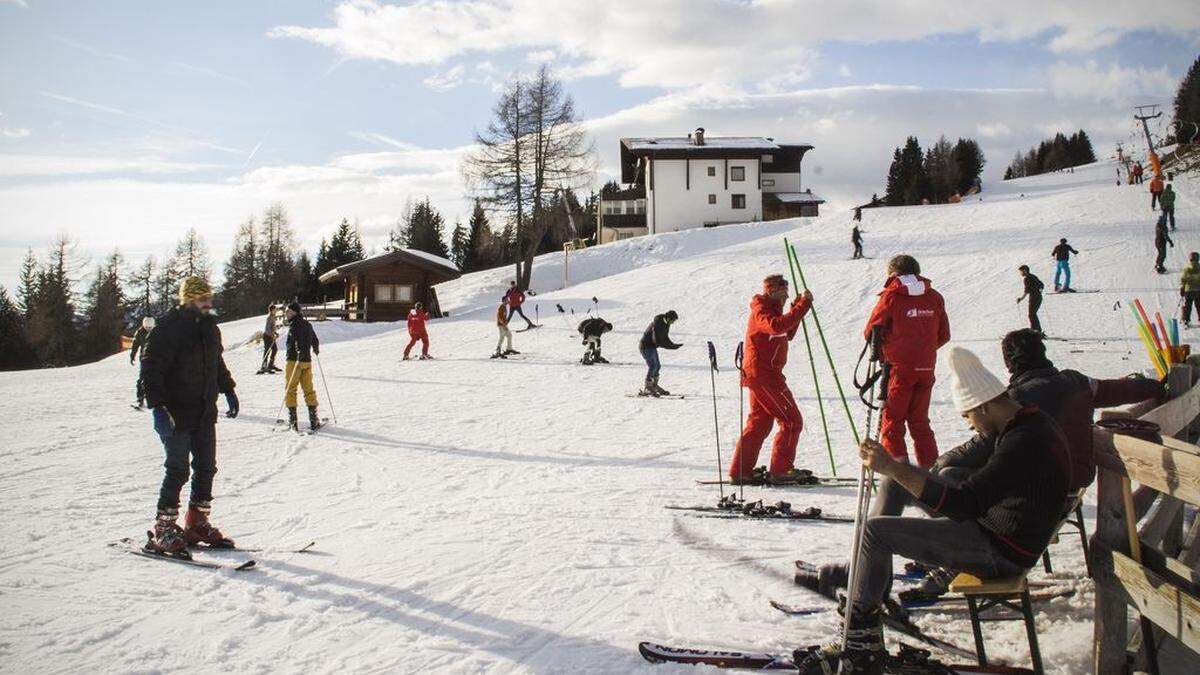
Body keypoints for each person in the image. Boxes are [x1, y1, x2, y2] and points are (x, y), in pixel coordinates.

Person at [792, 347, 1070, 675]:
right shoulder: (1026, 422)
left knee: (876, 532)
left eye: (969, 417)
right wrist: (901, 472)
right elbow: (979, 489)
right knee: (899, 483)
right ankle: (864, 584)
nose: (972, 427)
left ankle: (859, 638)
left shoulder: (1023, 440)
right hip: (998, 526)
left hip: (1001, 549)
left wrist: (891, 468)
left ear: (983, 405)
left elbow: (965, 503)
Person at [139, 277, 240, 554]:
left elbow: (216, 363)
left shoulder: (210, 329)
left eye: (209, 297)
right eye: (201, 299)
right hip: (176, 412)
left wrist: (228, 389)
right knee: (178, 469)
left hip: (205, 412)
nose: (208, 303)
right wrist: (157, 407)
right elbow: (150, 368)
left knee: (207, 467)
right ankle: (164, 527)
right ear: (187, 300)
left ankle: (197, 522)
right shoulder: (168, 329)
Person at [862, 255, 950, 469]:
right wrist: (923, 351)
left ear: (893, 274)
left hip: (899, 369)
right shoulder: (934, 296)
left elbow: (871, 331)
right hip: (926, 368)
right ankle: (932, 473)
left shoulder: (892, 296)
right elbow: (944, 335)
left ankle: (900, 477)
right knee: (920, 423)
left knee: (892, 425)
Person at [727, 274, 813, 485]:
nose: (786, 297)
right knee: (792, 421)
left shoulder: (774, 310)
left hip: (764, 375)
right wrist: (802, 306)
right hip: (764, 375)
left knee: (760, 424)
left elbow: (786, 333)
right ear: (772, 291)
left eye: (787, 293)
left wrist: (797, 308)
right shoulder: (762, 309)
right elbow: (775, 326)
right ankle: (781, 471)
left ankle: (741, 471)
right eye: (783, 293)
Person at [283, 302, 322, 431]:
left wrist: (298, 350)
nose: (286, 313)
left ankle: (293, 421)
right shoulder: (308, 324)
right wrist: (315, 349)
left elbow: (296, 339)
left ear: (294, 312)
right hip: (307, 362)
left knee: (291, 389)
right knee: (308, 389)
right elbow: (314, 339)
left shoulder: (294, 326)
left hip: (294, 361)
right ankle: (313, 419)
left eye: (288, 311)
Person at [638, 310, 682, 397]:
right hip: (645, 346)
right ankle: (648, 387)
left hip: (652, 347)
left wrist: (673, 345)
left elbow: (665, 337)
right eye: (673, 321)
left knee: (658, 366)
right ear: (668, 318)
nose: (673, 323)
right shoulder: (657, 323)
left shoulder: (666, 324)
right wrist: (670, 347)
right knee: (653, 366)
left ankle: (654, 385)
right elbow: (657, 340)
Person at [129, 316, 155, 408]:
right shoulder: (140, 332)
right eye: (146, 328)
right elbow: (135, 345)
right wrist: (132, 356)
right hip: (145, 359)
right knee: (142, 379)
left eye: (150, 328)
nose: (148, 329)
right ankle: (140, 399)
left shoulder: (158, 331)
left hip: (157, 359)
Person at [1016, 265, 1044, 334]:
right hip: (1038, 297)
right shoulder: (1033, 276)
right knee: (1032, 314)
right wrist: (1040, 290)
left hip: (1034, 298)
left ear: (1025, 270)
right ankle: (1037, 330)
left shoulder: (1027, 279)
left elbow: (1026, 291)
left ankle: (1035, 331)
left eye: (1021, 272)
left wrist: (1021, 299)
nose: (1021, 273)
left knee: (1031, 314)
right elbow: (1041, 284)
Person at [257, 303, 280, 375]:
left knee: (275, 349)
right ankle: (264, 366)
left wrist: (275, 333)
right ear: (272, 310)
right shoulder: (269, 318)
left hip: (271, 336)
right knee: (267, 350)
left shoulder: (273, 317)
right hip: (267, 337)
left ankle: (271, 364)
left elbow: (272, 328)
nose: (276, 311)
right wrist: (272, 335)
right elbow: (267, 329)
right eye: (275, 310)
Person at [1182, 252, 1200, 327]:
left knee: (1188, 306)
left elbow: (1183, 280)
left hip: (1188, 291)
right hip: (1198, 291)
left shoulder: (1187, 269)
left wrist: (1182, 289)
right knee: (1199, 306)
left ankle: (1186, 320)